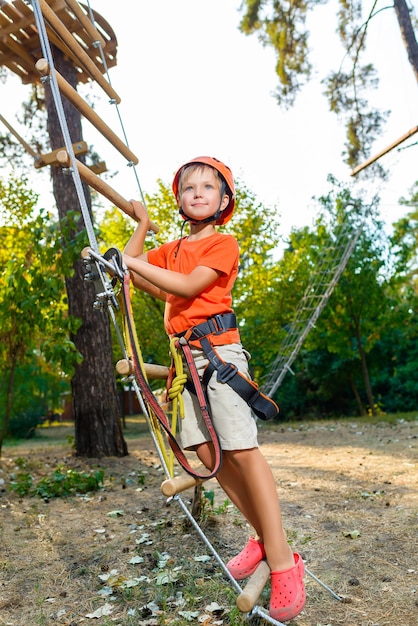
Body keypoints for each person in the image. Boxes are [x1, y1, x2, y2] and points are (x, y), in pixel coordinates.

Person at [122, 156, 306, 622]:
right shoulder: (174, 246)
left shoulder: (223, 243)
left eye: (208, 186)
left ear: (224, 200)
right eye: (188, 187)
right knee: (209, 456)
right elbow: (136, 272)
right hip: (184, 361)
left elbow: (185, 285)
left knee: (241, 450)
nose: (197, 192)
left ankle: (283, 561)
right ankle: (264, 537)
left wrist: (129, 261)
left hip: (218, 355)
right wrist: (141, 225)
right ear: (180, 200)